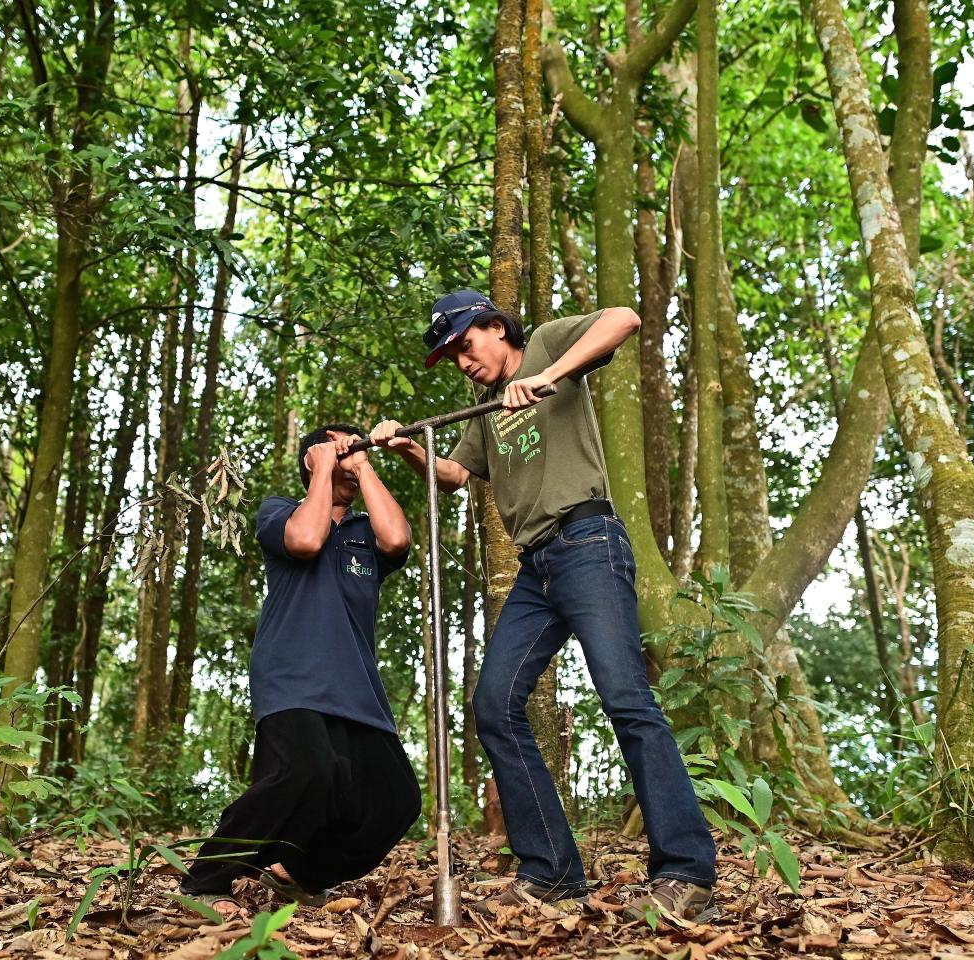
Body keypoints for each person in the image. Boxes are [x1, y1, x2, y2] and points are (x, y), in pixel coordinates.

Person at [369, 290, 717, 920]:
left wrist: (547, 377)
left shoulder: (552, 342)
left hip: (588, 543)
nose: (462, 363)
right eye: (450, 357)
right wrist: (407, 448)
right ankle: (552, 872)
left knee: (626, 700)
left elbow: (625, 320)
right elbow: (453, 475)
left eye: (465, 346)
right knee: (494, 704)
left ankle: (686, 872)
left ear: (496, 327)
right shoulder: (483, 408)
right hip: (537, 568)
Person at [179, 425, 420, 917]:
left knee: (397, 800)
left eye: (354, 443)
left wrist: (363, 464)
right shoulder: (279, 512)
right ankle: (208, 877)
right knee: (307, 772)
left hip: (357, 689)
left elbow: (396, 539)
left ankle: (300, 873)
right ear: (312, 459)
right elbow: (307, 541)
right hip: (293, 676)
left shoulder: (364, 535)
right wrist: (324, 469)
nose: (348, 449)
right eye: (336, 444)